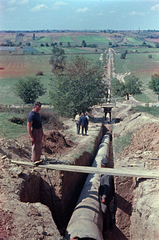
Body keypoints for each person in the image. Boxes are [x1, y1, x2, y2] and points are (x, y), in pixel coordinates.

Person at [98, 158, 114, 232]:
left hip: (106, 196)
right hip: (105, 195)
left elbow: (107, 187)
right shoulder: (105, 173)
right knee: (105, 211)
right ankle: (108, 225)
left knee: (105, 211)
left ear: (101, 165)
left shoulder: (106, 175)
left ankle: (107, 227)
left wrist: (104, 197)